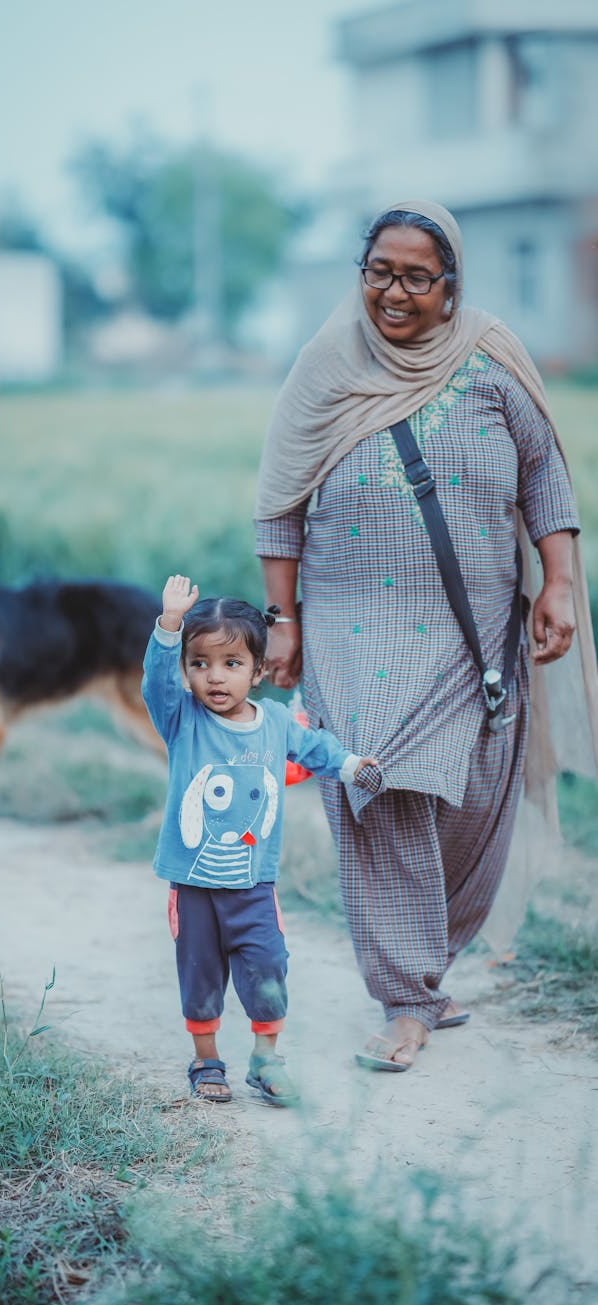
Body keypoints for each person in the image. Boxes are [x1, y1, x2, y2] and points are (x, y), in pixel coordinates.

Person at [255, 200, 598, 1072]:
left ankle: (426, 966)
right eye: (379, 272)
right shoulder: (326, 366)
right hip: (347, 626)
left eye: (416, 275)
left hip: (475, 630)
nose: (394, 292)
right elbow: (280, 504)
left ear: (452, 286)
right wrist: (282, 618)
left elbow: (546, 480)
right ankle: (405, 998)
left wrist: (556, 581)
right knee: (378, 779)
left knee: (473, 795)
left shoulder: (492, 359)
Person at [141, 573, 375, 1104]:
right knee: (200, 973)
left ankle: (267, 1060)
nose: (214, 678)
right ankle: (207, 1063)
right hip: (195, 883)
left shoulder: (273, 722)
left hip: (253, 882)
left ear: (259, 671)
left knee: (268, 963)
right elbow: (156, 682)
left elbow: (314, 748)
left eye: (231, 664)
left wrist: (351, 764)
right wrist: (170, 625)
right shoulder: (183, 720)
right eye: (199, 664)